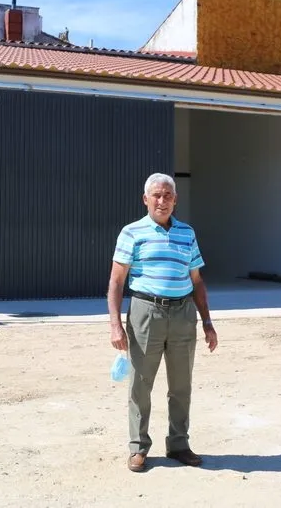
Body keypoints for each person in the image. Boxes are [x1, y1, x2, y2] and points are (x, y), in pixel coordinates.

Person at [107, 172, 218, 473]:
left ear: (175, 200)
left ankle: (179, 444)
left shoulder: (187, 233)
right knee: (140, 385)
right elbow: (116, 281)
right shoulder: (131, 233)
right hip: (146, 313)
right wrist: (116, 325)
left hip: (183, 315)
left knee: (181, 385)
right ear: (145, 199)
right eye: (156, 195)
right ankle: (138, 447)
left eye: (168, 195)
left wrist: (207, 321)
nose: (162, 200)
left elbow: (196, 280)